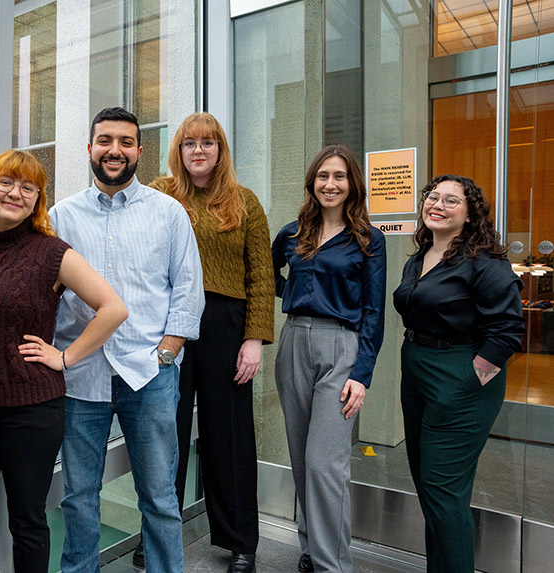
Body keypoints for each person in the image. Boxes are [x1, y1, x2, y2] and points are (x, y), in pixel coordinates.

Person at [0, 150, 127, 572]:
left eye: (29, 187)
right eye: (6, 182)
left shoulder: (51, 253)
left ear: (38, 200)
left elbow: (113, 308)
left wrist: (64, 357)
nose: (16, 193)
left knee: (27, 521)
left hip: (31, 408)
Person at [50, 107, 204, 573]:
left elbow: (188, 289)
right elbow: (45, 296)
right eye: (104, 141)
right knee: (78, 497)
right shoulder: (61, 216)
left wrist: (167, 353)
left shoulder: (168, 212)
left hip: (150, 374)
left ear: (139, 149)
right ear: (90, 148)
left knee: (158, 496)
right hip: (82, 377)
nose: (114, 150)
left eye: (124, 142)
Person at [149, 112, 273, 573]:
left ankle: (241, 542)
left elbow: (261, 276)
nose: (198, 151)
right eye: (189, 143)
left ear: (221, 150)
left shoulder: (245, 203)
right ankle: (158, 537)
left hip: (225, 323)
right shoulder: (159, 194)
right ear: (178, 150)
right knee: (165, 434)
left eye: (208, 143)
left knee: (231, 435)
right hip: (169, 327)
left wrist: (254, 339)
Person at [393, 174, 523, 573]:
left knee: (442, 491)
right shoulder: (420, 256)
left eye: (451, 201)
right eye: (433, 197)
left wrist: (471, 379)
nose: (438, 205)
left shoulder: (484, 261)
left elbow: (509, 331)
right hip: (417, 370)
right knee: (431, 490)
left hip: (459, 378)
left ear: (469, 215)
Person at [271, 144, 386, 573]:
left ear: (352, 183)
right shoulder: (291, 234)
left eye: (339, 176)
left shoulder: (368, 239)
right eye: (323, 176)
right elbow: (269, 275)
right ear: (312, 182)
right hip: (294, 342)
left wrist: (363, 373)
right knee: (302, 458)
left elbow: (374, 310)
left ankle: (333, 565)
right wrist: (298, 296)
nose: (330, 184)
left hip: (342, 347)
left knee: (325, 464)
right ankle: (311, 548)